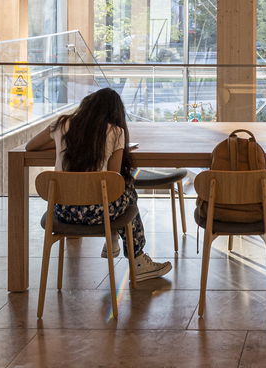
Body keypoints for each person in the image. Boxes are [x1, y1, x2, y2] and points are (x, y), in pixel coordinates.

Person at [26, 88, 172, 281]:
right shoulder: (116, 132)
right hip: (100, 214)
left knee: (121, 192)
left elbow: (31, 146)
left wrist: (64, 141)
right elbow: (114, 180)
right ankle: (136, 259)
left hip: (63, 213)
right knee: (127, 189)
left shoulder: (62, 124)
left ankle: (115, 240)